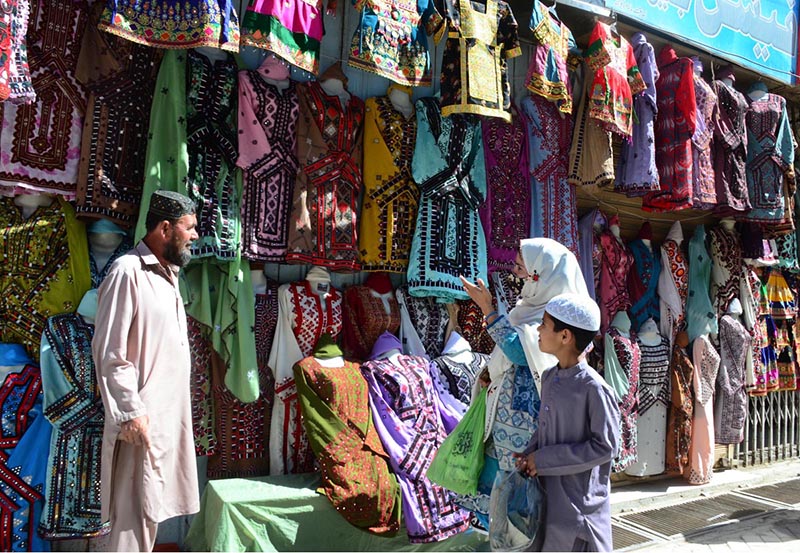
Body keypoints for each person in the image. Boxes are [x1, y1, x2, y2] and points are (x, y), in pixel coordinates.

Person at [92, 190, 200, 552]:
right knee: (132, 519)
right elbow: (109, 350)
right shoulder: (127, 272)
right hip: (141, 420)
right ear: (166, 228)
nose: (196, 236)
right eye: (190, 228)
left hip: (167, 420)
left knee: (150, 511)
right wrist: (131, 412)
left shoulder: (168, 276)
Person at [458, 238, 589, 532]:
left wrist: (488, 309)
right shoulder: (530, 306)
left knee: (521, 499)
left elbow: (520, 351)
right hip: (508, 420)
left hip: (528, 422)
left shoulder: (562, 314)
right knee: (501, 493)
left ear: (543, 273)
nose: (518, 273)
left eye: (524, 268)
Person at [515, 293, 621, 552]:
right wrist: (530, 452)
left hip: (577, 509)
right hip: (549, 500)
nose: (538, 330)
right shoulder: (550, 376)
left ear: (565, 336)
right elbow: (547, 426)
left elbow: (606, 447)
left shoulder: (595, 388)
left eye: (544, 324)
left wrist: (543, 460)